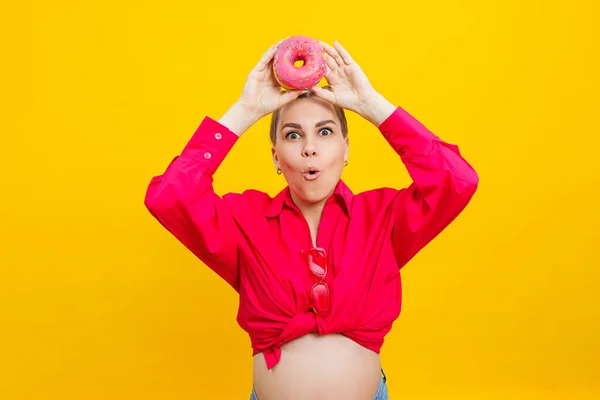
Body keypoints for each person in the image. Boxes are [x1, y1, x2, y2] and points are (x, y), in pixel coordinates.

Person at [144, 39, 479, 400]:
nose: (309, 147)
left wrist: (371, 105)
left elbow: (457, 181)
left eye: (325, 131)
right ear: (276, 156)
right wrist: (244, 111)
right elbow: (169, 197)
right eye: (293, 135)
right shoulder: (244, 222)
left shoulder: (382, 217)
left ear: (346, 148)